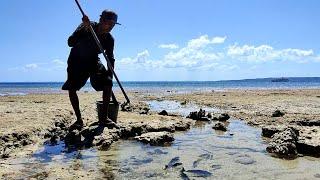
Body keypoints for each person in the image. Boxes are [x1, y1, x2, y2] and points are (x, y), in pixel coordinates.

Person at [62, 10, 120, 128]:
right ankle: (79, 120)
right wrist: (85, 28)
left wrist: (110, 76)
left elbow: (111, 58)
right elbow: (70, 42)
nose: (110, 27)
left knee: (108, 82)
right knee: (72, 88)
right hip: (76, 59)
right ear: (101, 20)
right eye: (108, 23)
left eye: (113, 25)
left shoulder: (109, 39)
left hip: (93, 60)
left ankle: (104, 118)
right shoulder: (87, 26)